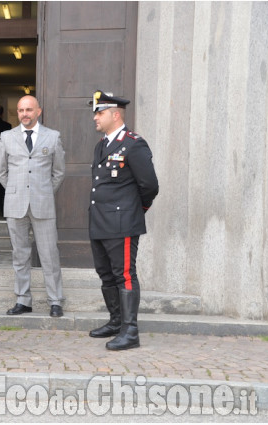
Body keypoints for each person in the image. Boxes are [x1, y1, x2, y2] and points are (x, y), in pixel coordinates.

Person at [87, 90, 159, 351]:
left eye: (100, 112)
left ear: (115, 115)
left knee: (125, 275)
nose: (95, 117)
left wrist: (134, 210)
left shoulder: (133, 144)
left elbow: (149, 185)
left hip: (122, 222)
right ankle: (116, 322)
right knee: (106, 274)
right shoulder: (101, 145)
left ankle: (131, 331)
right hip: (99, 221)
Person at [0, 95, 66, 318]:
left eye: (28, 110)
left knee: (49, 255)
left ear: (39, 111)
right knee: (20, 255)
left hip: (43, 205)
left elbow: (59, 173)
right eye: (20, 110)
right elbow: (1, 172)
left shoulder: (53, 137)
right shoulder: (6, 137)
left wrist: (43, 192)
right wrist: (17, 191)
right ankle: (23, 300)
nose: (24, 114)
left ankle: (55, 301)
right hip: (15, 205)